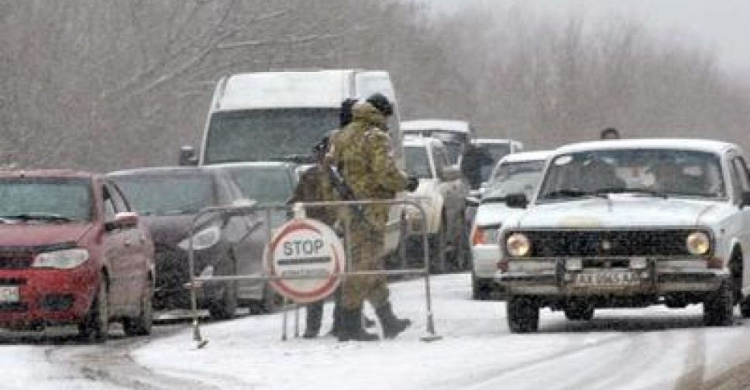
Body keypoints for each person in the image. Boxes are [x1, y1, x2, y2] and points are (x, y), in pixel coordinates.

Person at [327, 93, 416, 341]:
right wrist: (407, 182)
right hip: (368, 209)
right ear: (380, 114)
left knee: (371, 264)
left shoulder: (341, 135)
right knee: (363, 266)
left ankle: (387, 318)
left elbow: (329, 171)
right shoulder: (375, 136)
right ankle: (349, 323)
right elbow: (385, 172)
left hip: (347, 208)